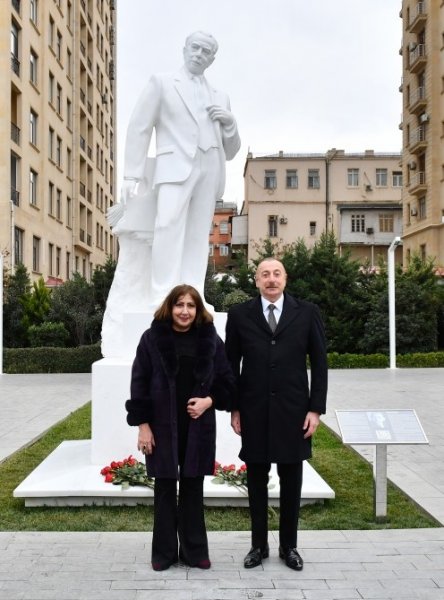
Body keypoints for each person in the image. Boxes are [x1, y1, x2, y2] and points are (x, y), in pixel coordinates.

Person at [119, 31, 241, 309]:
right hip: (174, 166)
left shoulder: (221, 96)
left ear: (212, 59)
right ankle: (162, 295)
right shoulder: (162, 83)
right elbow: (139, 127)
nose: (199, 54)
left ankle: (193, 296)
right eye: (195, 48)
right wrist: (131, 174)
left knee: (199, 235)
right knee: (167, 226)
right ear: (184, 49)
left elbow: (231, 151)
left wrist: (230, 123)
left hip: (209, 167)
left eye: (205, 51)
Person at [225, 258, 328, 571]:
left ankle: (289, 546)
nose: (271, 279)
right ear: (256, 281)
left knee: (291, 480)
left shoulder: (307, 312)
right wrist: (234, 407)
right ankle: (258, 546)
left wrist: (315, 408)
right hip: (253, 410)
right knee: (256, 481)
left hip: (293, 412)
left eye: (276, 274)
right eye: (264, 274)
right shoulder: (240, 315)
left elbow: (320, 364)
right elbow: (231, 365)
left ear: (286, 278)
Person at [125, 285, 235, 571]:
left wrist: (208, 401)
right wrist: (143, 426)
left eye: (190, 306)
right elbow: (139, 384)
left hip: (197, 427)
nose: (184, 311)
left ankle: (194, 551)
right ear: (169, 307)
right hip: (162, 427)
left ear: (198, 310)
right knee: (163, 488)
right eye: (179, 305)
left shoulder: (210, 340)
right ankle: (163, 554)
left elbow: (227, 383)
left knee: (192, 489)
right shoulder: (151, 339)